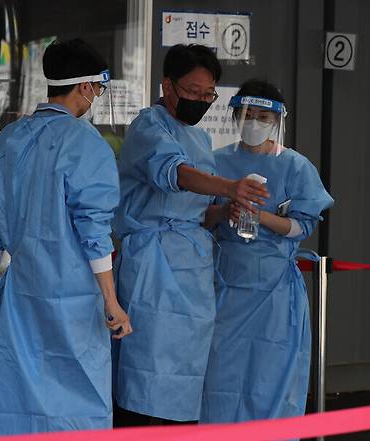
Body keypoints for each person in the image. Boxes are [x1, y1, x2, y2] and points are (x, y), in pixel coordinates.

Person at [0, 38, 132, 435]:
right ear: (84, 86)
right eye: (98, 88)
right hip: (73, 303)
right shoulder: (84, 143)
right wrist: (111, 301)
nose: (97, 97)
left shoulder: (8, 139)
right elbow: (94, 231)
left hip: (21, 299)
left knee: (21, 406)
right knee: (78, 410)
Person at [112, 45, 269, 425]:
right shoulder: (149, 126)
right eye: (193, 92)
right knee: (147, 369)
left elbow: (197, 213)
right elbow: (175, 174)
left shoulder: (198, 138)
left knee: (185, 375)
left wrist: (222, 210)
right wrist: (229, 187)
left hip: (193, 265)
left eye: (208, 95)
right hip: (154, 261)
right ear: (168, 86)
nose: (201, 101)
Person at [200, 79, 334, 423]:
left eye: (263, 116)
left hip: (275, 291)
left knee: (269, 378)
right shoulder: (215, 163)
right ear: (234, 115)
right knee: (220, 375)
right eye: (248, 114)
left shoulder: (295, 167)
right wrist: (224, 210)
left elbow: (302, 226)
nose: (255, 122)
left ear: (277, 121)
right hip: (226, 284)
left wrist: (262, 217)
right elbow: (200, 216)